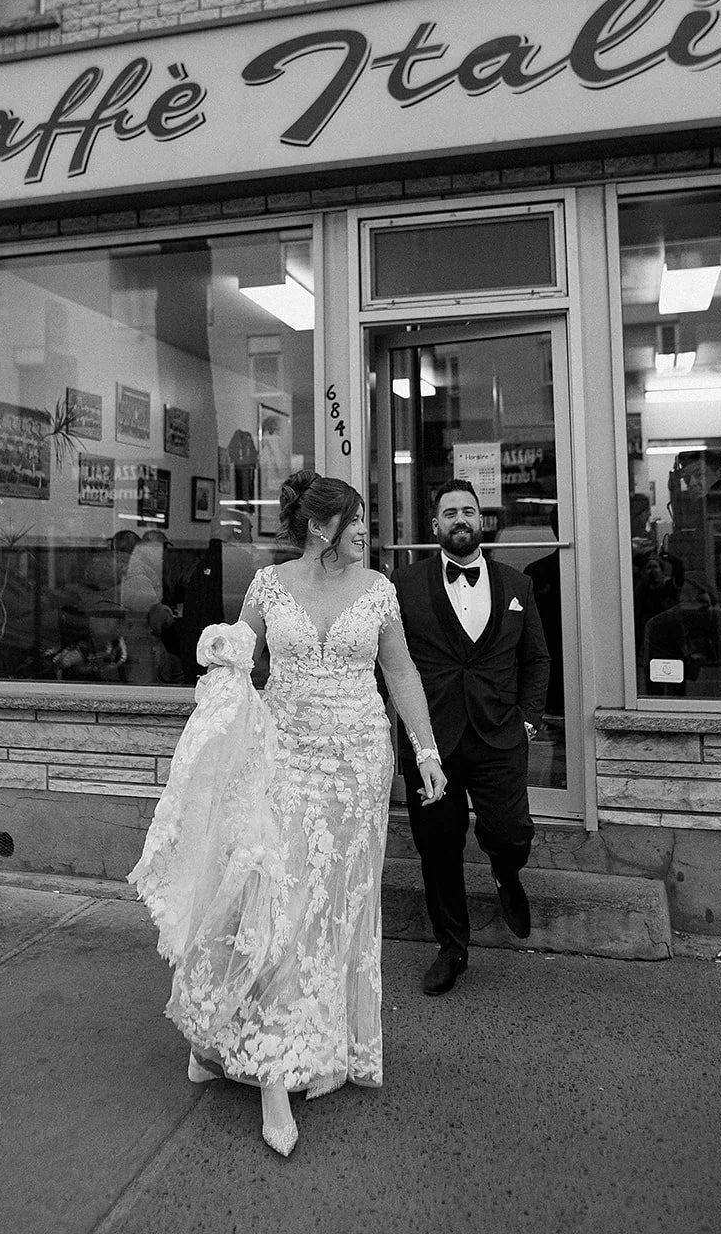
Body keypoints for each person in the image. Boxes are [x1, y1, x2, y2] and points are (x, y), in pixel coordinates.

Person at [129, 470, 445, 1157]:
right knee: (278, 904)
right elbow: (240, 654)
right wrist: (220, 647)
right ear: (322, 527)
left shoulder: (378, 590)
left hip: (358, 767)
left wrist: (425, 750)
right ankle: (267, 1069)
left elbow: (400, 673)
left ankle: (302, 1044)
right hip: (287, 759)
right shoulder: (269, 585)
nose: (365, 533)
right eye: (356, 521)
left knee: (334, 908)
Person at [393, 479, 550, 996]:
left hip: (499, 735)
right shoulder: (404, 584)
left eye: (468, 511)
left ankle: (506, 870)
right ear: (434, 525)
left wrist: (528, 719)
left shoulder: (517, 584)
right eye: (449, 512)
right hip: (431, 741)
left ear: (482, 521)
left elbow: (537, 659)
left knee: (511, 831)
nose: (460, 519)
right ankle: (452, 948)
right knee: (438, 848)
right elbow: (388, 663)